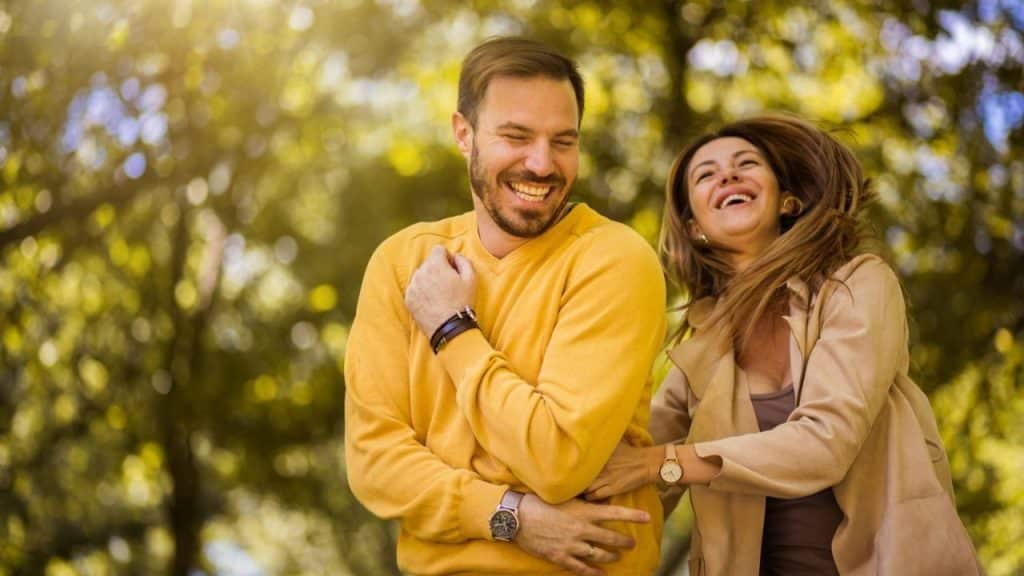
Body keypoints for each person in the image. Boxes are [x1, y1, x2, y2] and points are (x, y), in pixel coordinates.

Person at [583, 114, 981, 576]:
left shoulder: (858, 286)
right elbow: (633, 472)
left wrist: (663, 463)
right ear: (694, 228)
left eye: (746, 163)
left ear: (787, 200)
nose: (727, 175)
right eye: (706, 174)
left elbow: (825, 443)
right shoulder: (701, 350)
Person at [344, 37, 667, 575]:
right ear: (464, 135)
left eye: (563, 141)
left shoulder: (613, 259)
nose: (542, 163)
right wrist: (510, 513)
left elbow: (555, 459)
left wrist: (451, 327)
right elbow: (375, 463)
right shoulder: (402, 263)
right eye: (516, 136)